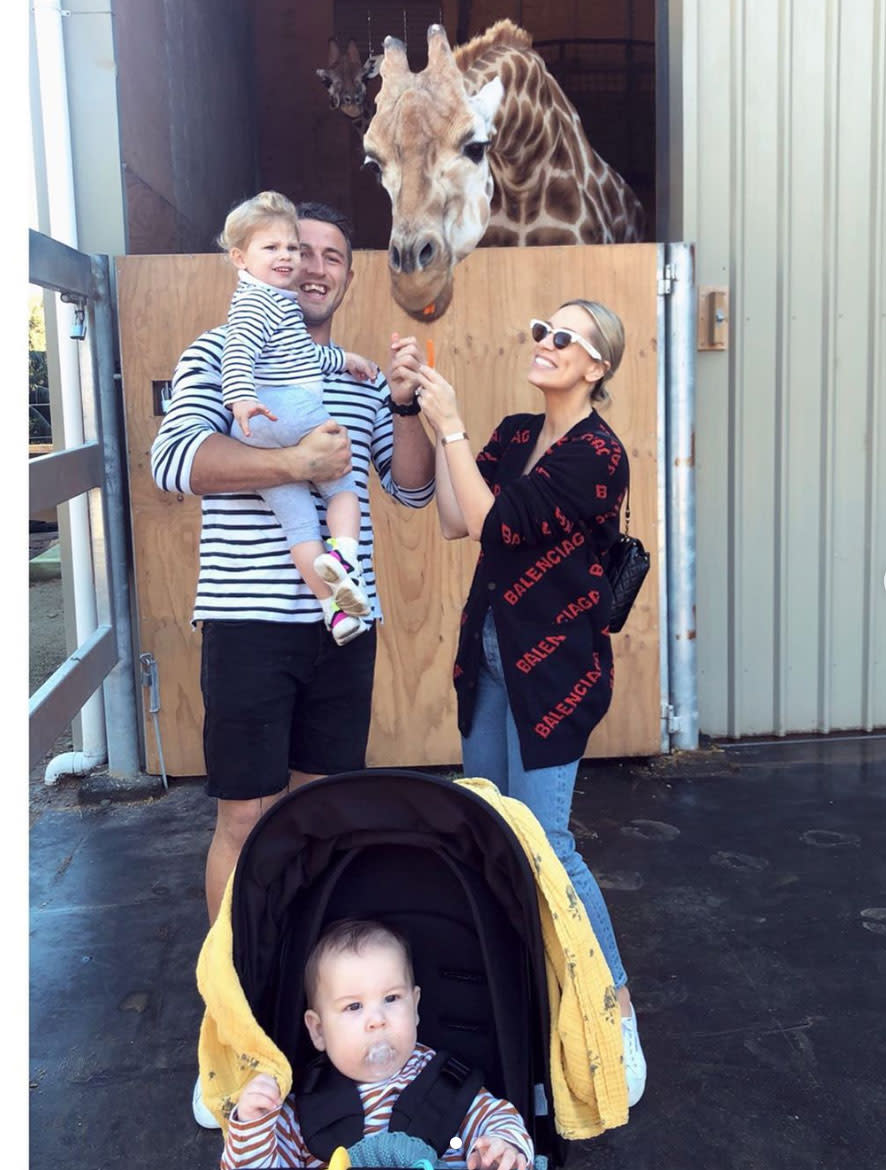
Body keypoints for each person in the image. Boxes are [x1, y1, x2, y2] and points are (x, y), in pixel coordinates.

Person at [150, 202, 435, 924]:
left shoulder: (359, 378)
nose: (311, 266)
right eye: (296, 250)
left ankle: (312, 972)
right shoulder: (218, 353)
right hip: (249, 624)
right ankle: (235, 994)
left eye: (330, 256)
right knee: (246, 817)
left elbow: (411, 487)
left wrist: (404, 405)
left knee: (325, 811)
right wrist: (290, 462)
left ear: (347, 275)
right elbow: (175, 460)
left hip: (342, 625)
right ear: (255, 261)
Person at [409, 300, 647, 1107]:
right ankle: (520, 1006)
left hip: (555, 677)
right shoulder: (514, 433)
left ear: (596, 365)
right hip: (488, 659)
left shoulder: (597, 456)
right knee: (489, 831)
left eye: (564, 338)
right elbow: (450, 517)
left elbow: (496, 524)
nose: (544, 344)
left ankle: (614, 1009)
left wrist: (446, 426)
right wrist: (424, 408)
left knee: (545, 838)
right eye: (541, 331)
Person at [220, 919, 533, 1170]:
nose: (377, 1020)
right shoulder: (300, 1109)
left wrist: (504, 1145)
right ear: (318, 1030)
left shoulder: (447, 1083)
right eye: (354, 1007)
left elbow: (496, 1116)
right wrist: (252, 1126)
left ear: (415, 1006)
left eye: (392, 999)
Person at [220, 190, 378, 645]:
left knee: (301, 530)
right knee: (341, 486)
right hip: (282, 410)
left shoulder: (268, 309)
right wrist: (241, 397)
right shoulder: (263, 304)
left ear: (348, 275)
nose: (294, 261)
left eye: (291, 248)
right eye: (283, 249)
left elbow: (301, 356)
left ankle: (337, 613)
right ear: (240, 258)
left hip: (257, 430)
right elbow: (238, 352)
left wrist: (344, 359)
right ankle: (345, 555)